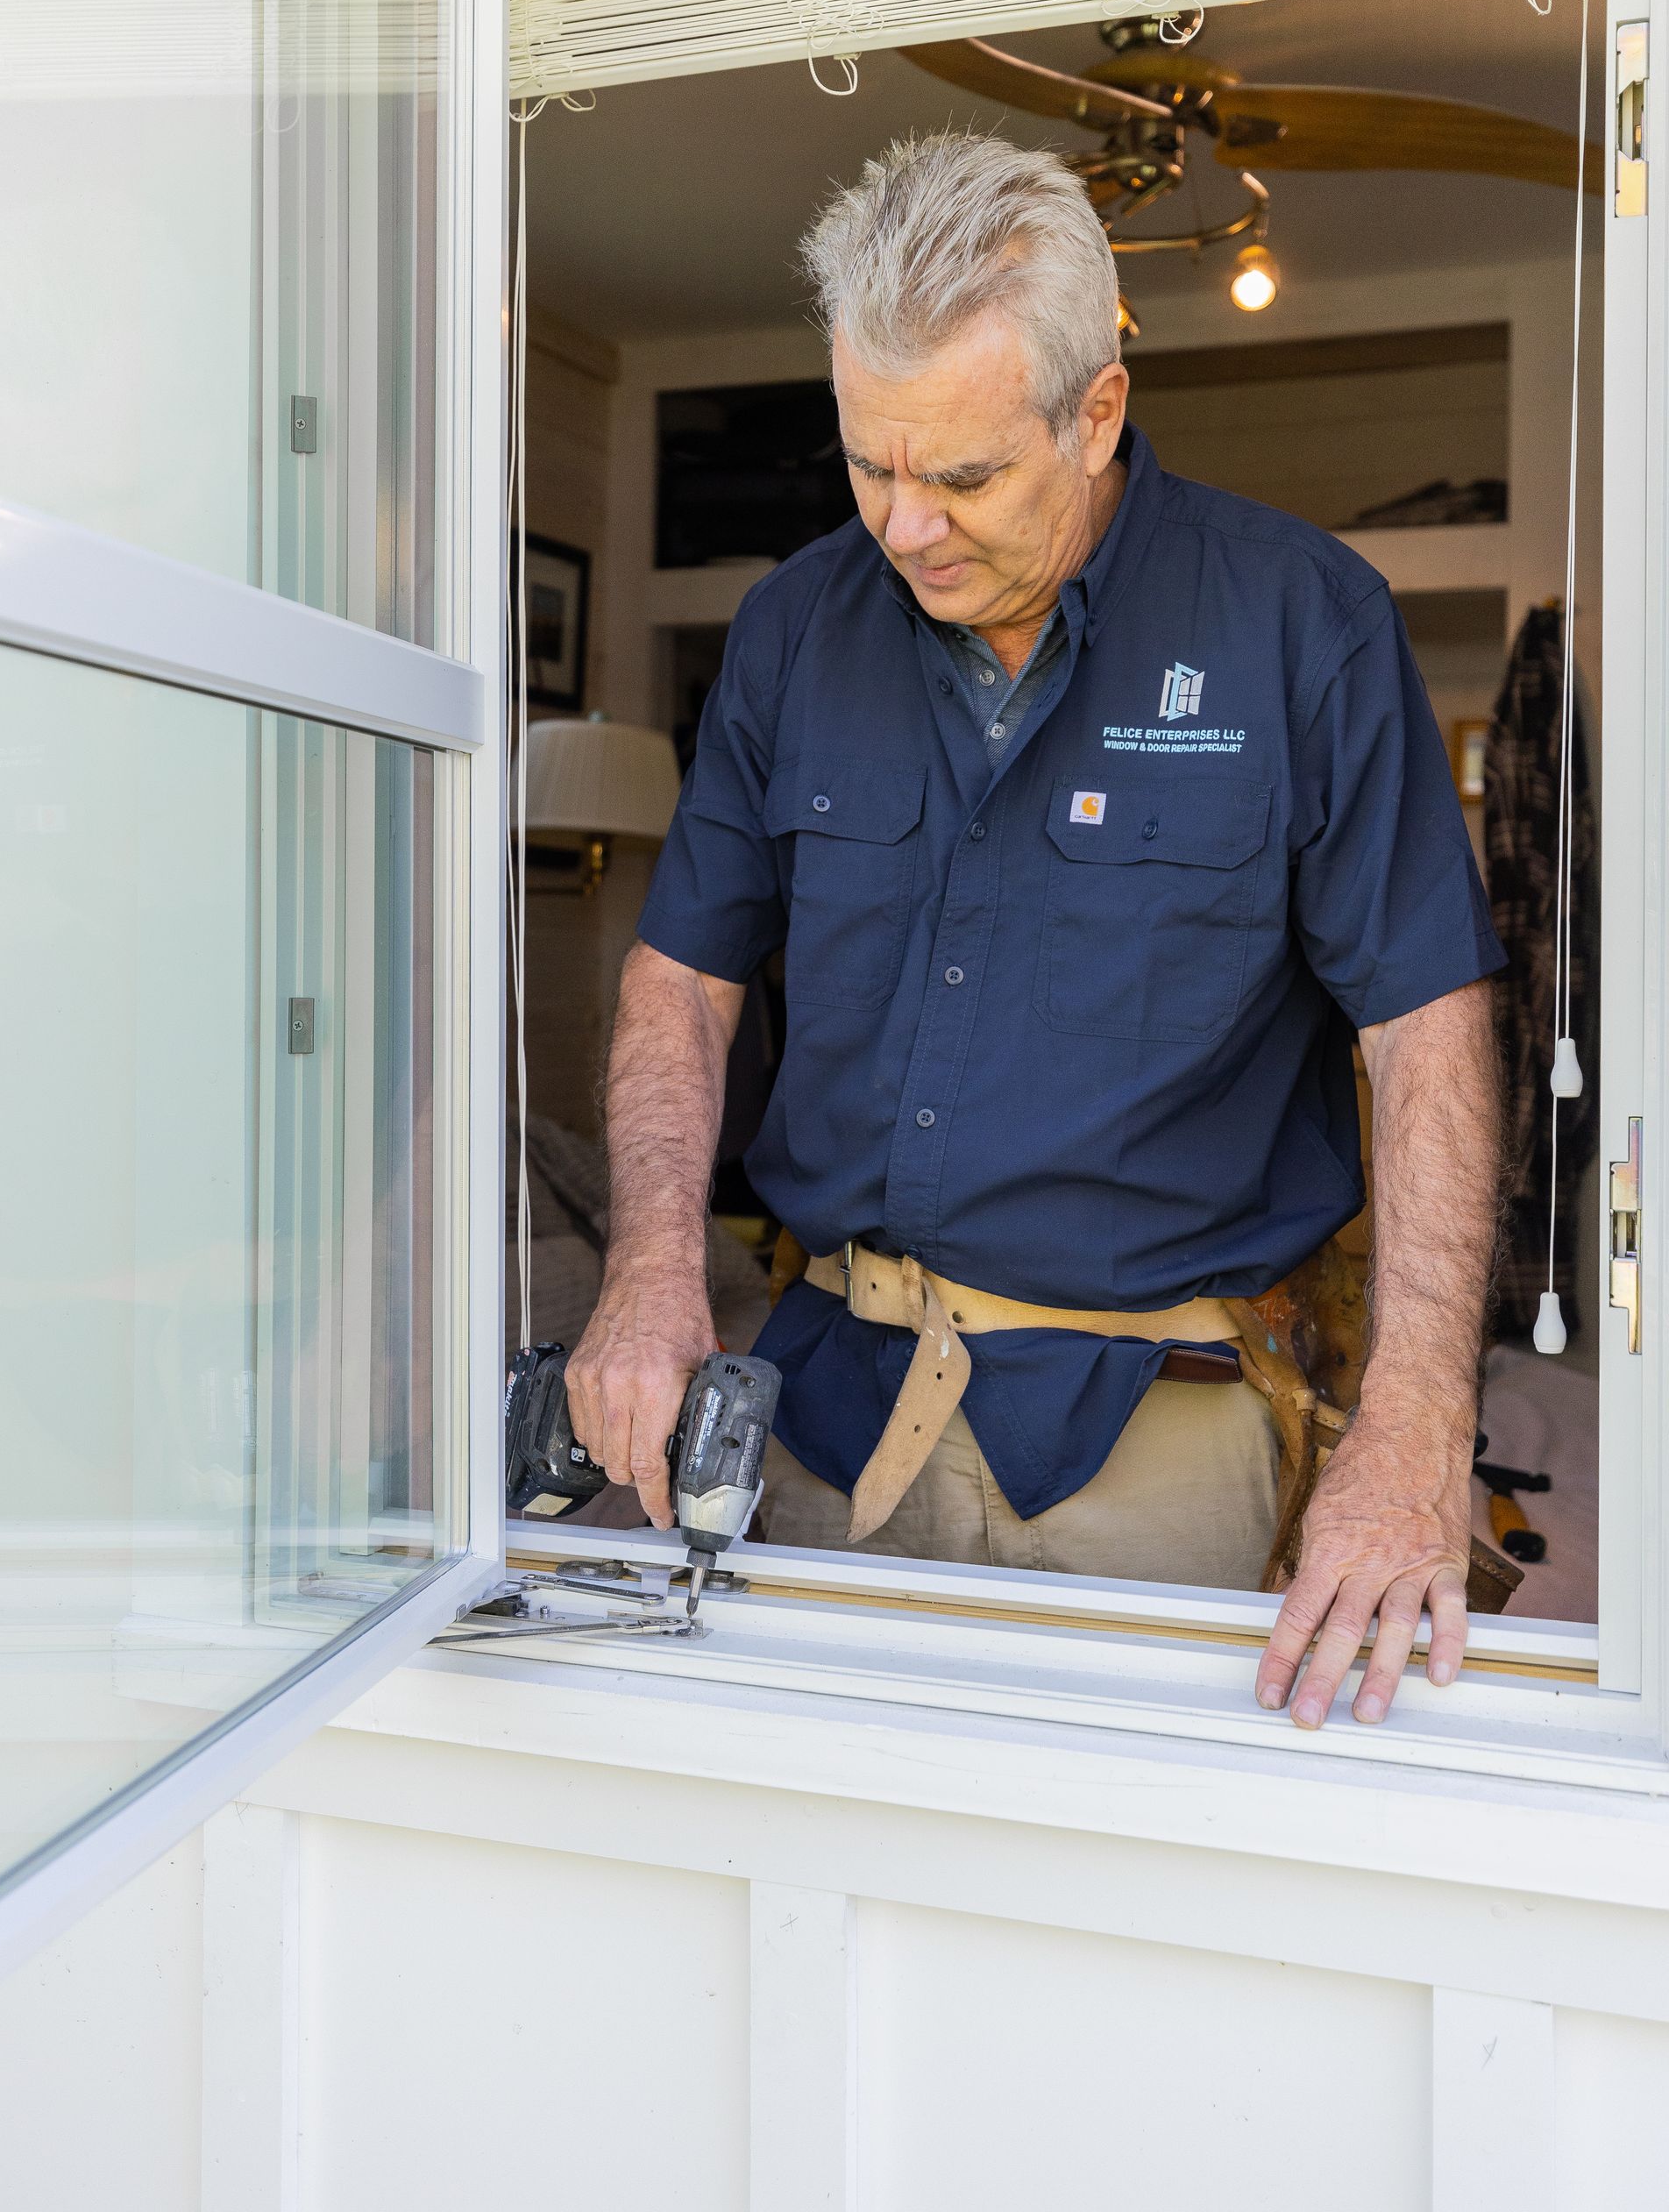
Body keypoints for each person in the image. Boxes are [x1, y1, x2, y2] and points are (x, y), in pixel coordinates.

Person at [565, 132, 1503, 1731]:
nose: (906, 527)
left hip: (1163, 1437)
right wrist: (651, 1267)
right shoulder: (797, 627)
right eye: (869, 463)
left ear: (1097, 413)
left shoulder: (1301, 626)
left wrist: (1417, 1418)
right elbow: (685, 972)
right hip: (832, 1413)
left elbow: (1424, 1029)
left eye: (964, 475)